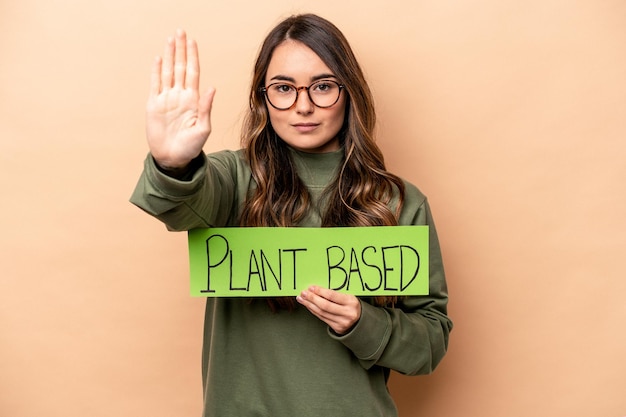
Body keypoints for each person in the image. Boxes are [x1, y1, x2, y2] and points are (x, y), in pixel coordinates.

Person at [131, 13, 452, 417]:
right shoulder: (232, 179)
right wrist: (173, 162)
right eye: (284, 88)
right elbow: (179, 204)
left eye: (322, 87)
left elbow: (430, 344)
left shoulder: (399, 203)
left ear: (348, 92)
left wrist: (361, 321)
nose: (303, 106)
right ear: (262, 97)